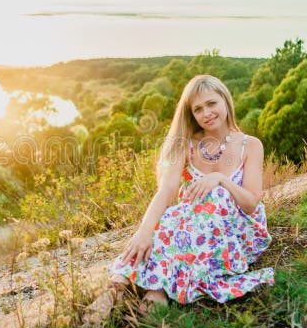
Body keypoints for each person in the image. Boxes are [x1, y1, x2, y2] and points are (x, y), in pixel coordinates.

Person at [107, 74, 274, 311]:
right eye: (198, 109)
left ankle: (156, 287)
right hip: (190, 229)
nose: (206, 113)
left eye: (211, 104)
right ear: (192, 115)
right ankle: (118, 288)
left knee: (216, 195)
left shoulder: (251, 145)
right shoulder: (186, 144)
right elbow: (166, 191)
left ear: (225, 100)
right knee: (169, 216)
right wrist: (143, 231)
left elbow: (250, 203)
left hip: (237, 231)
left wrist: (219, 179)